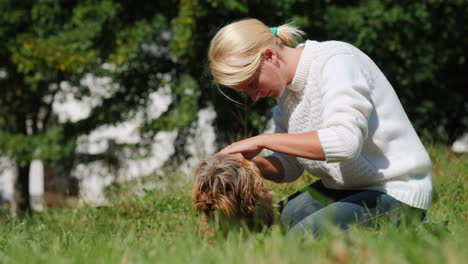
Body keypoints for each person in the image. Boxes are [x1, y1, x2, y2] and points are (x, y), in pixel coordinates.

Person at [208, 18, 432, 237]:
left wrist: (261, 140)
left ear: (269, 56)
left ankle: (416, 227)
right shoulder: (285, 90)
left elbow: (345, 143)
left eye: (252, 84)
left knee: (300, 239)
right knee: (267, 228)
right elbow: (289, 164)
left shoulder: (337, 61)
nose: (254, 97)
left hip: (395, 191)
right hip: (342, 189)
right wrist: (241, 164)